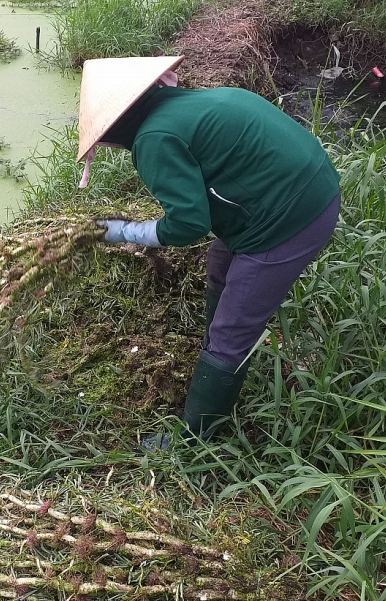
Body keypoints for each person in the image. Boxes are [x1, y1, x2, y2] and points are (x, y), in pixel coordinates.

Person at [77, 56, 341, 443]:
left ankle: (195, 440)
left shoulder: (154, 139)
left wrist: (127, 231)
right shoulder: (187, 105)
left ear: (112, 129)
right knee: (220, 261)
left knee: (234, 326)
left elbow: (189, 225)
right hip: (308, 184)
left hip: (292, 218)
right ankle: (216, 351)